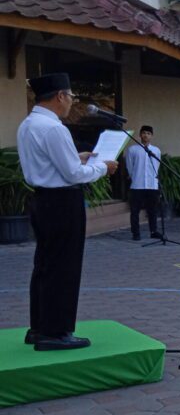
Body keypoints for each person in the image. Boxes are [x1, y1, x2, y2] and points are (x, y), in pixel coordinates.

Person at [17, 73, 119, 351]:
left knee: (45, 265)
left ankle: (39, 327)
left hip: (43, 200)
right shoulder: (54, 128)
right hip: (62, 202)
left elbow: (55, 163)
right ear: (60, 96)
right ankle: (56, 331)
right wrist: (102, 168)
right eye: (71, 95)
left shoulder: (29, 124)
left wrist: (79, 156)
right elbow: (73, 174)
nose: (72, 101)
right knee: (64, 268)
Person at [125, 125, 161, 241]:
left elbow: (157, 166)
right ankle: (136, 233)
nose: (146, 135)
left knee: (152, 210)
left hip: (152, 184)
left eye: (148, 133)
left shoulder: (156, 150)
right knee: (135, 211)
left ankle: (153, 231)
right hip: (137, 184)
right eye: (144, 133)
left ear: (152, 136)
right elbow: (130, 167)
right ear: (140, 135)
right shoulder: (132, 150)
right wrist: (135, 176)